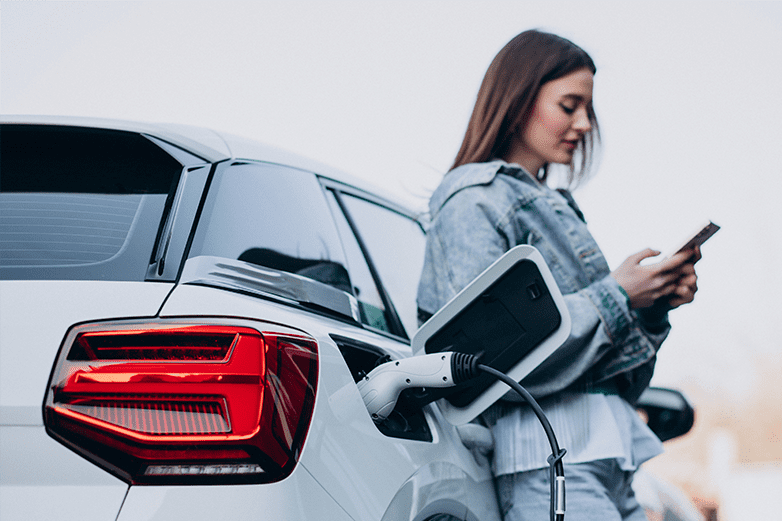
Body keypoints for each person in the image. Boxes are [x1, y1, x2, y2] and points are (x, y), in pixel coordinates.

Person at [416, 30, 700, 521]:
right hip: (549, 465)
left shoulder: (554, 206)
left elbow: (613, 380)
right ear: (519, 98)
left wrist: (650, 309)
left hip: (601, 464)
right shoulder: (473, 200)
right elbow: (489, 358)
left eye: (587, 109)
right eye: (569, 106)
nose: (584, 124)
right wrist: (616, 296)